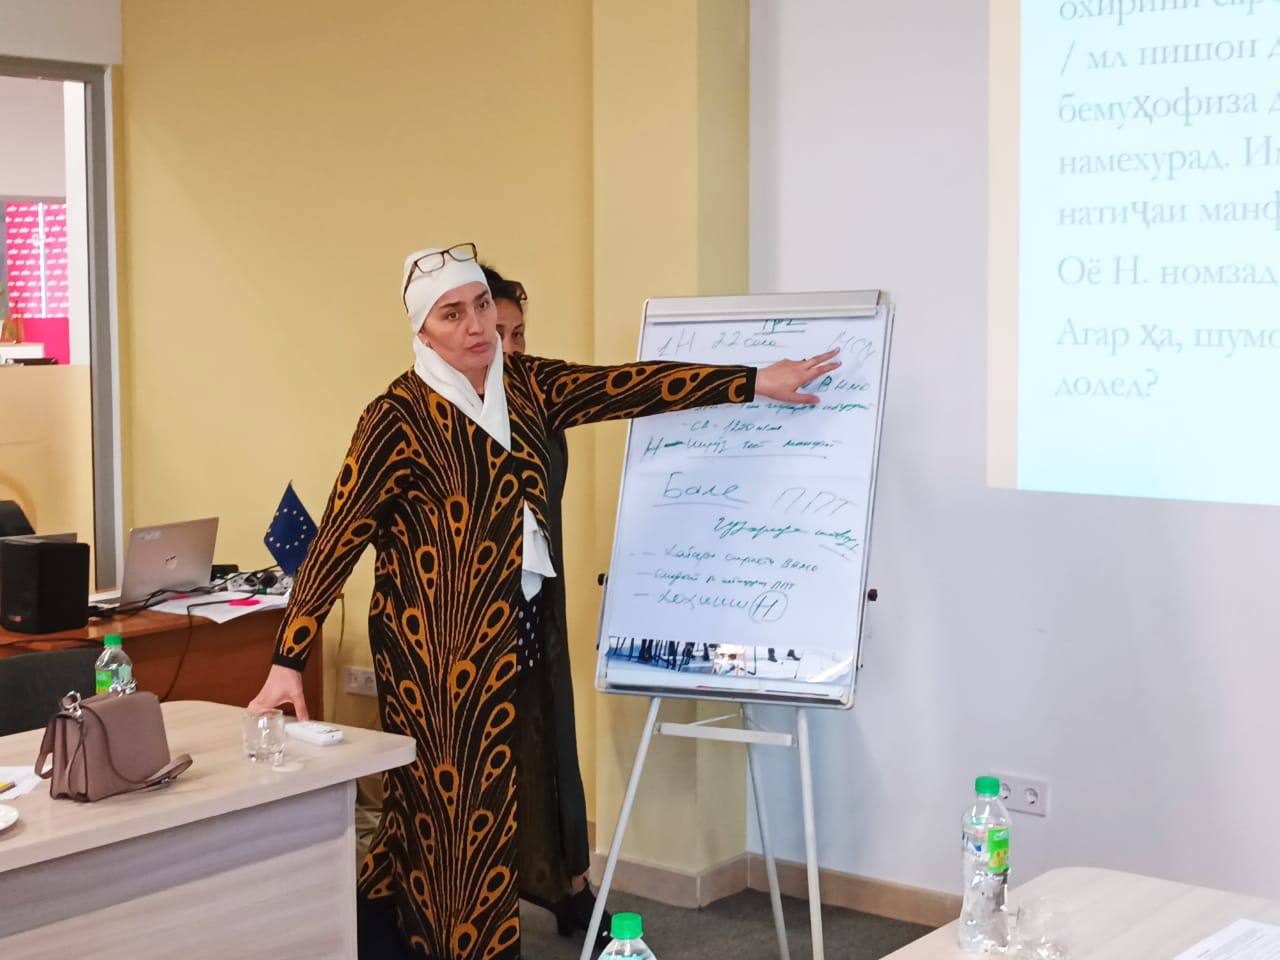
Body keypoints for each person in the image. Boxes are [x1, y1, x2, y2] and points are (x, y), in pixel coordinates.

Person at [249, 242, 839, 960]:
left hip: (524, 634)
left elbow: (631, 386)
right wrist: (289, 657)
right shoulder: (395, 417)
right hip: (433, 654)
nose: (476, 326)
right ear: (422, 330)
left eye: (480, 307)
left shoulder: (528, 385)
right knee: (458, 820)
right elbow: (339, 536)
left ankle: (380, 928)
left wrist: (752, 381)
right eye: (452, 314)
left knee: (497, 796)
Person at [482, 262, 605, 948]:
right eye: (496, 332)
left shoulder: (535, 397)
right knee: (487, 768)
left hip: (532, 614)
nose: (510, 347)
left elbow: (624, 386)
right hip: (470, 633)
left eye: (519, 333)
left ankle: (569, 886)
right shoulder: (435, 412)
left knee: (548, 747)